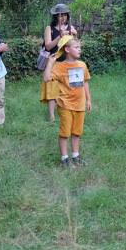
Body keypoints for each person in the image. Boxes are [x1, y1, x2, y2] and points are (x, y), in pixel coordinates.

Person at [43, 35, 92, 167]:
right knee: (65, 133)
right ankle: (64, 158)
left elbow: (85, 83)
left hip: (80, 105)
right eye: (76, 47)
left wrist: (88, 100)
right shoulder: (59, 67)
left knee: (77, 132)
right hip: (65, 105)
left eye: (80, 47)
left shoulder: (82, 65)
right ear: (67, 50)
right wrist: (50, 63)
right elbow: (47, 78)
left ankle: (75, 155)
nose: (79, 49)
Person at [42, 4, 78, 122]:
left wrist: (74, 35)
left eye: (64, 15)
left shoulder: (70, 28)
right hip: (54, 61)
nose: (61, 18)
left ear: (67, 16)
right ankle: (52, 116)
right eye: (59, 15)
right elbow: (48, 46)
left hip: (68, 62)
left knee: (69, 87)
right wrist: (59, 36)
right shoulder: (49, 28)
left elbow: (75, 46)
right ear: (55, 16)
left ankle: (68, 109)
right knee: (52, 88)